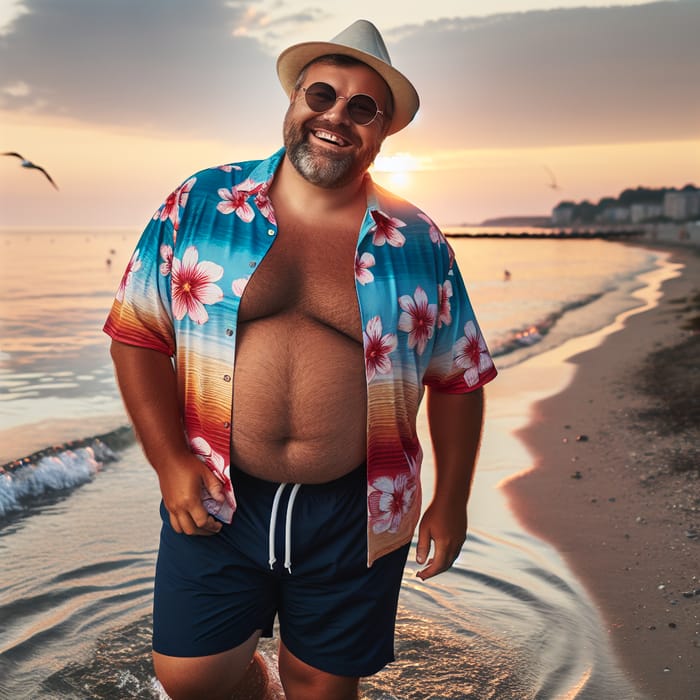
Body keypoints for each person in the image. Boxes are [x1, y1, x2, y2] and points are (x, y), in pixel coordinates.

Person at [104, 18, 497, 700]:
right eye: (322, 95)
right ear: (293, 103)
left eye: (362, 108)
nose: (336, 117)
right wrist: (170, 462)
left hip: (356, 507)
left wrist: (452, 501)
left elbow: (459, 376)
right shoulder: (200, 204)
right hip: (220, 491)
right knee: (191, 680)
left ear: (382, 131)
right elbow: (138, 334)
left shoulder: (417, 242)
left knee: (320, 683)